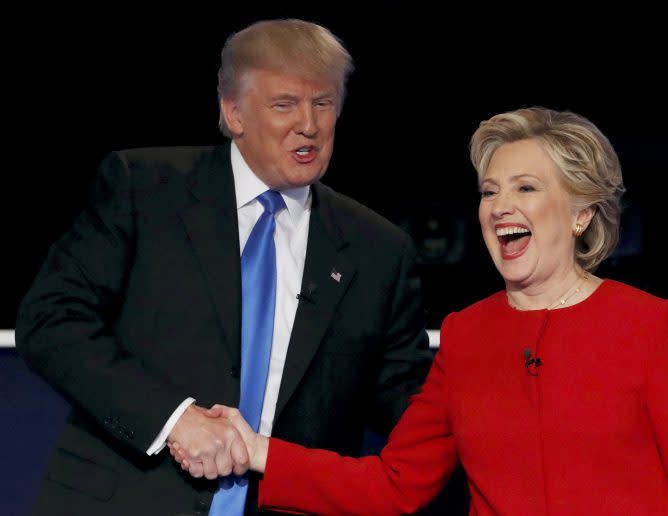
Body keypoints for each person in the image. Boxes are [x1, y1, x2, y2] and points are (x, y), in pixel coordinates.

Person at [175, 107, 668, 515]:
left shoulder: (647, 326)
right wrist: (257, 451)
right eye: (490, 190)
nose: (500, 208)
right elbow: (395, 483)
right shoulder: (467, 334)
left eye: (525, 188)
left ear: (582, 215)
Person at [15, 19, 433, 516]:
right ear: (233, 113)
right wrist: (174, 420)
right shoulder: (144, 190)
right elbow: (52, 322)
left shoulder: (377, 248)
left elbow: (406, 399)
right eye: (284, 104)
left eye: (323, 103)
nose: (309, 124)